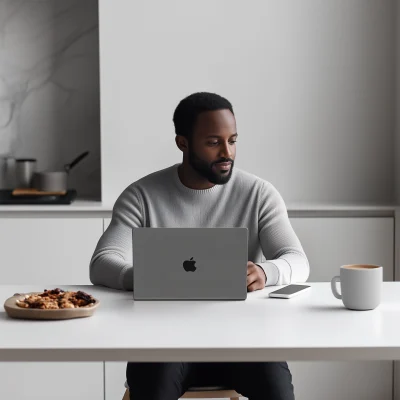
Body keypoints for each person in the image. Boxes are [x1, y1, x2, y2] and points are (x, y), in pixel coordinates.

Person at [90, 92, 310, 400]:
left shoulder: (259, 193)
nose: (227, 152)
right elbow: (102, 262)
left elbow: (297, 261)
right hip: (163, 342)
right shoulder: (141, 195)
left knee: (277, 390)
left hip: (244, 340)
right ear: (182, 143)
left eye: (232, 140)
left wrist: (265, 271)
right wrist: (143, 277)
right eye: (213, 142)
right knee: (152, 385)